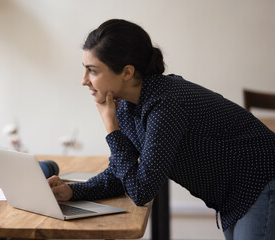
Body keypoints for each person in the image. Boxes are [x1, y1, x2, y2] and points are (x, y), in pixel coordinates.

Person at [48, 19, 275, 239]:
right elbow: (122, 173)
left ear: (127, 72)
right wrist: (74, 192)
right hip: (236, 195)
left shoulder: (165, 104)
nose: (84, 80)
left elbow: (141, 192)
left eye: (93, 70)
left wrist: (111, 128)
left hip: (262, 179)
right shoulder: (128, 105)